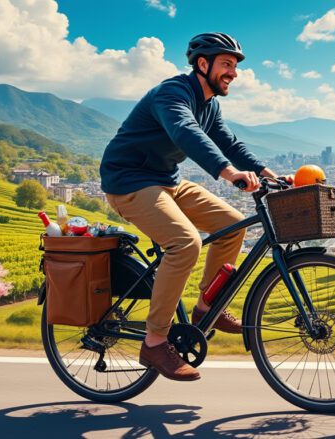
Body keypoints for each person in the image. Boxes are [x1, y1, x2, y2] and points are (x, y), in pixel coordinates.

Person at [100, 32, 282, 382]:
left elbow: (228, 141)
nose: (234, 73)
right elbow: (186, 132)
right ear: (203, 63)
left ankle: (205, 309)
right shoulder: (173, 93)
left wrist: (267, 173)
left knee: (233, 223)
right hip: (129, 181)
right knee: (185, 243)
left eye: (235, 66)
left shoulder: (210, 104)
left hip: (166, 180)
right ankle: (154, 342)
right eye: (227, 64)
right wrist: (228, 173)